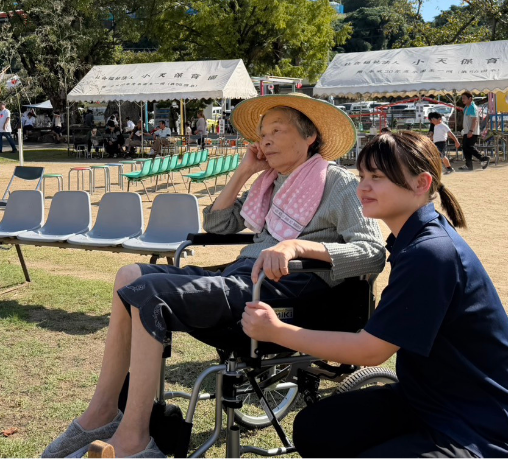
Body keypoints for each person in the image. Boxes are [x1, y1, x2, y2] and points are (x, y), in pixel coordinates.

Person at [42, 94, 385, 458]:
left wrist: (298, 247)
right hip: (243, 278)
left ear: (309, 136)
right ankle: (102, 413)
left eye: (277, 131)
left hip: (286, 290)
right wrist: (244, 171)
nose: (265, 140)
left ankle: (135, 440)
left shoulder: (336, 182)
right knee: (128, 276)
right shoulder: (271, 182)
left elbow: (373, 252)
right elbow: (218, 223)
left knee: (149, 293)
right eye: (262, 134)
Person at [242, 131, 508, 457]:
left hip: (483, 424)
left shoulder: (430, 252)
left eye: (378, 177)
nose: (363, 187)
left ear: (421, 183)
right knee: (316, 427)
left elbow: (370, 351)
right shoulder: (415, 240)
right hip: (426, 401)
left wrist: (276, 331)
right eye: (362, 176)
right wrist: (298, 246)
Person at [459, 91, 489, 171]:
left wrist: (471, 131)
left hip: (472, 131)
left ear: (470, 99)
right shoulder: (467, 107)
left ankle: (483, 158)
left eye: (464, 98)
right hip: (467, 131)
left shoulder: (472, 107)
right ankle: (469, 165)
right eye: (462, 98)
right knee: (465, 147)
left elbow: (474, 120)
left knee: (468, 146)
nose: (462, 100)